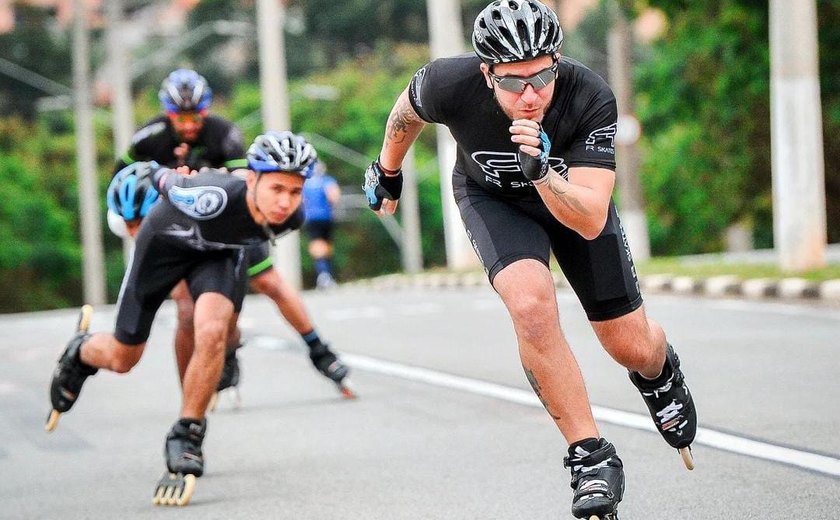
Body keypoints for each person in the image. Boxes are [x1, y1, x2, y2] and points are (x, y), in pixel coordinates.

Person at [362, 1, 697, 518]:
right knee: (531, 306)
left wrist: (542, 172)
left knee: (629, 346)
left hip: (572, 199)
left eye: (542, 77)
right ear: (486, 73)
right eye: (513, 83)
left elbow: (589, 219)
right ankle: (590, 457)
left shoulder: (589, 96)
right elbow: (404, 114)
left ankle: (659, 372)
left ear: (557, 60)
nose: (530, 95)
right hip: (492, 200)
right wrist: (388, 171)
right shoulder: (448, 83)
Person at [47, 132, 325, 506]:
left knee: (212, 331)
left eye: (294, 192)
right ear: (251, 178)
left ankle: (187, 432)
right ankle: (80, 353)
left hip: (215, 256)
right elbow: (156, 177)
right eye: (277, 188)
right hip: (164, 246)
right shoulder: (211, 195)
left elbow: (245, 266)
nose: (285, 202)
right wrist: (162, 172)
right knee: (123, 357)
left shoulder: (293, 218)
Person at [110, 68, 350, 398]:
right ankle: (193, 392)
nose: (190, 124)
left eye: (197, 115)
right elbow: (122, 176)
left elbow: (246, 182)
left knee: (268, 282)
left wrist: (207, 176)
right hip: (176, 228)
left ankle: (319, 349)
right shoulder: (149, 135)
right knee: (186, 309)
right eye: (182, 117)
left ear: (206, 110)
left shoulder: (223, 132)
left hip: (227, 218)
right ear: (168, 113)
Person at [302, 160, 342, 289]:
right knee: (326, 244)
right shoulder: (327, 180)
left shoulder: (305, 183)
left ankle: (323, 273)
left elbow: (301, 200)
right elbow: (334, 196)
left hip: (311, 218)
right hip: (326, 216)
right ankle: (326, 274)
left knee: (316, 244)